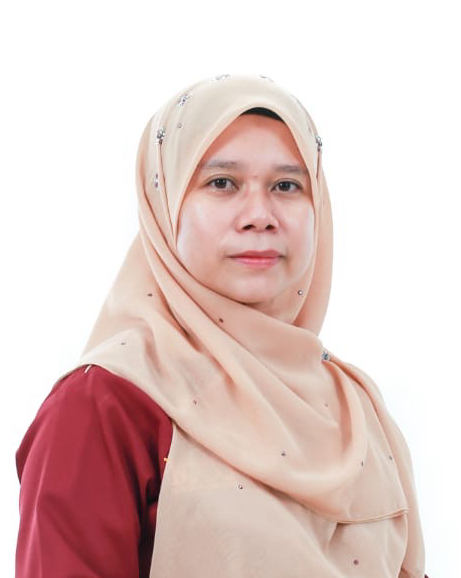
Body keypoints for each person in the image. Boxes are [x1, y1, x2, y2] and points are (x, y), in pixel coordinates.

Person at [15, 74, 428, 577]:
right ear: (166, 205)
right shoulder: (108, 405)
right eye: (222, 183)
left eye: (286, 186)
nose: (260, 215)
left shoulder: (356, 409)